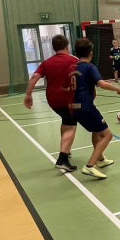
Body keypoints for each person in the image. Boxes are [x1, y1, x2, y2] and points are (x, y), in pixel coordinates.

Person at [23, 33, 79, 172]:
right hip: (69, 99)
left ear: (53, 47)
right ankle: (62, 159)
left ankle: (66, 149)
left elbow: (34, 77)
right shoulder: (74, 60)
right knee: (71, 126)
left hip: (52, 100)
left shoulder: (46, 62)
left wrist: (28, 94)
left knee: (65, 120)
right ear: (67, 46)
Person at [71, 38, 120, 180]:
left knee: (96, 131)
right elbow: (102, 84)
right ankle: (89, 166)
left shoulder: (72, 67)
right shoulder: (90, 67)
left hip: (75, 108)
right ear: (91, 53)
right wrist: (117, 89)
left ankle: (100, 159)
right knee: (107, 135)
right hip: (87, 107)